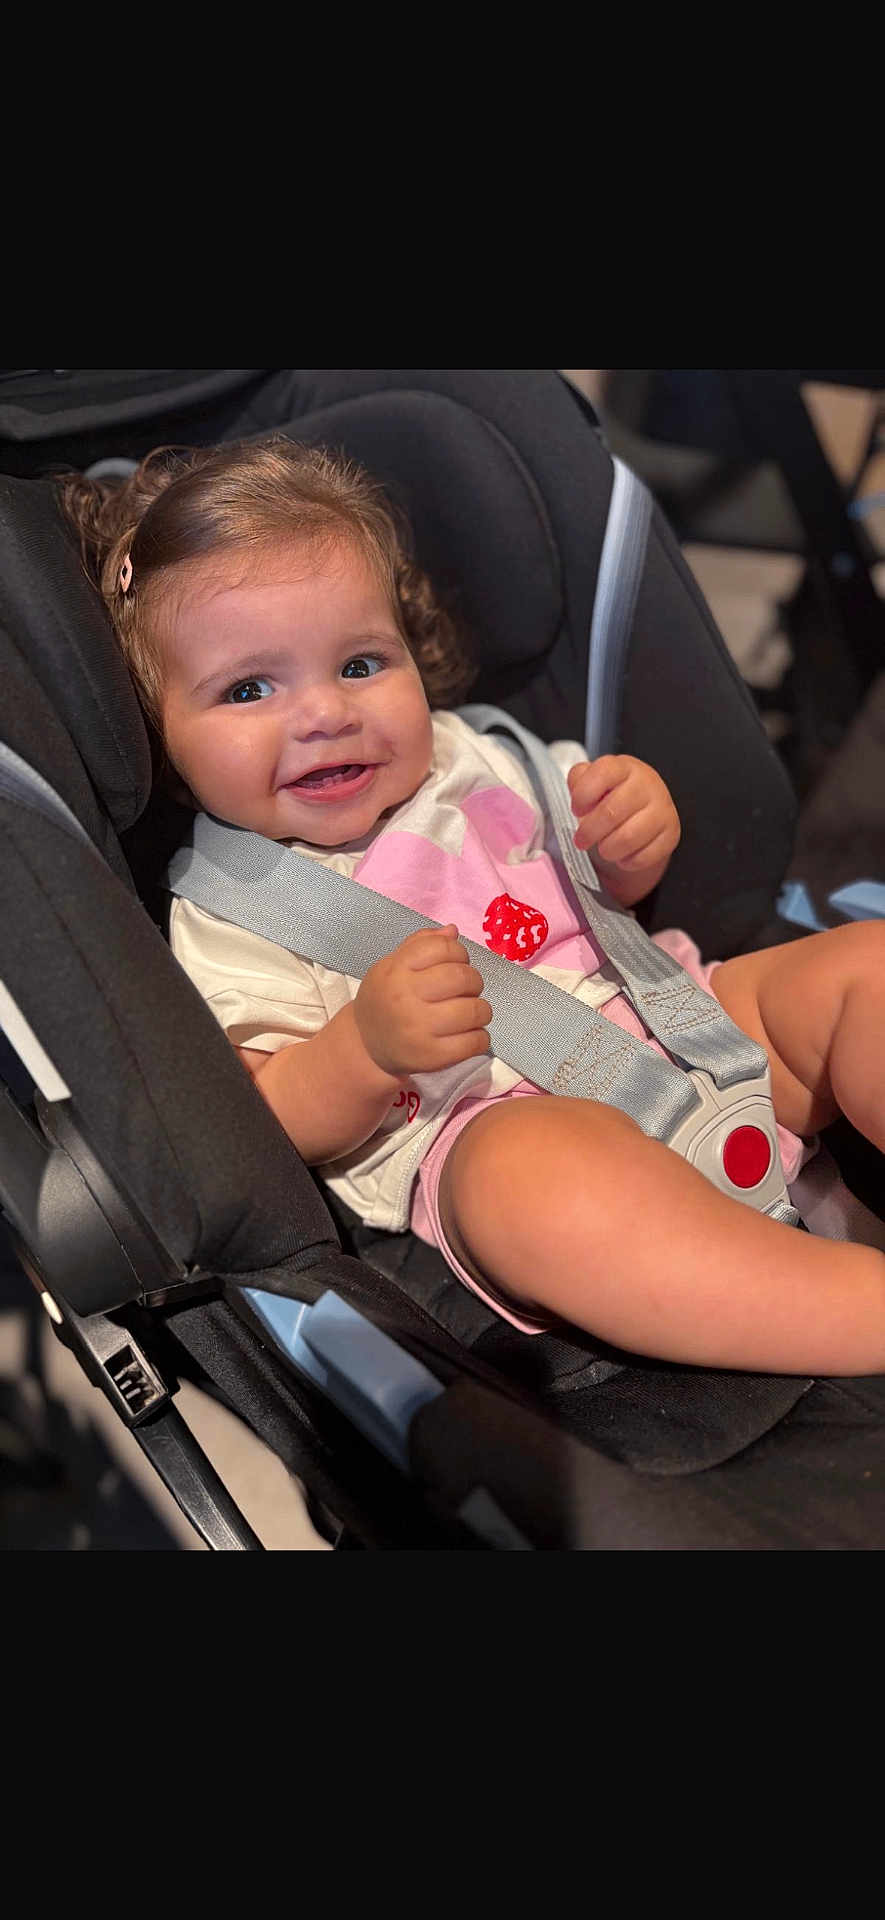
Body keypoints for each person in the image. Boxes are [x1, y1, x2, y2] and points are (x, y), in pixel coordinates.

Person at [59, 438, 885, 1377]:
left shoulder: (480, 756)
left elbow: (604, 899)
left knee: (863, 970)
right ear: (159, 731)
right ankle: (850, 1309)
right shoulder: (230, 907)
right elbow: (264, 1117)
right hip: (488, 1122)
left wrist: (627, 841)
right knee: (527, 1186)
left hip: (690, 1026)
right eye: (249, 689)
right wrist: (362, 1051)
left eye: (361, 663)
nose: (325, 712)